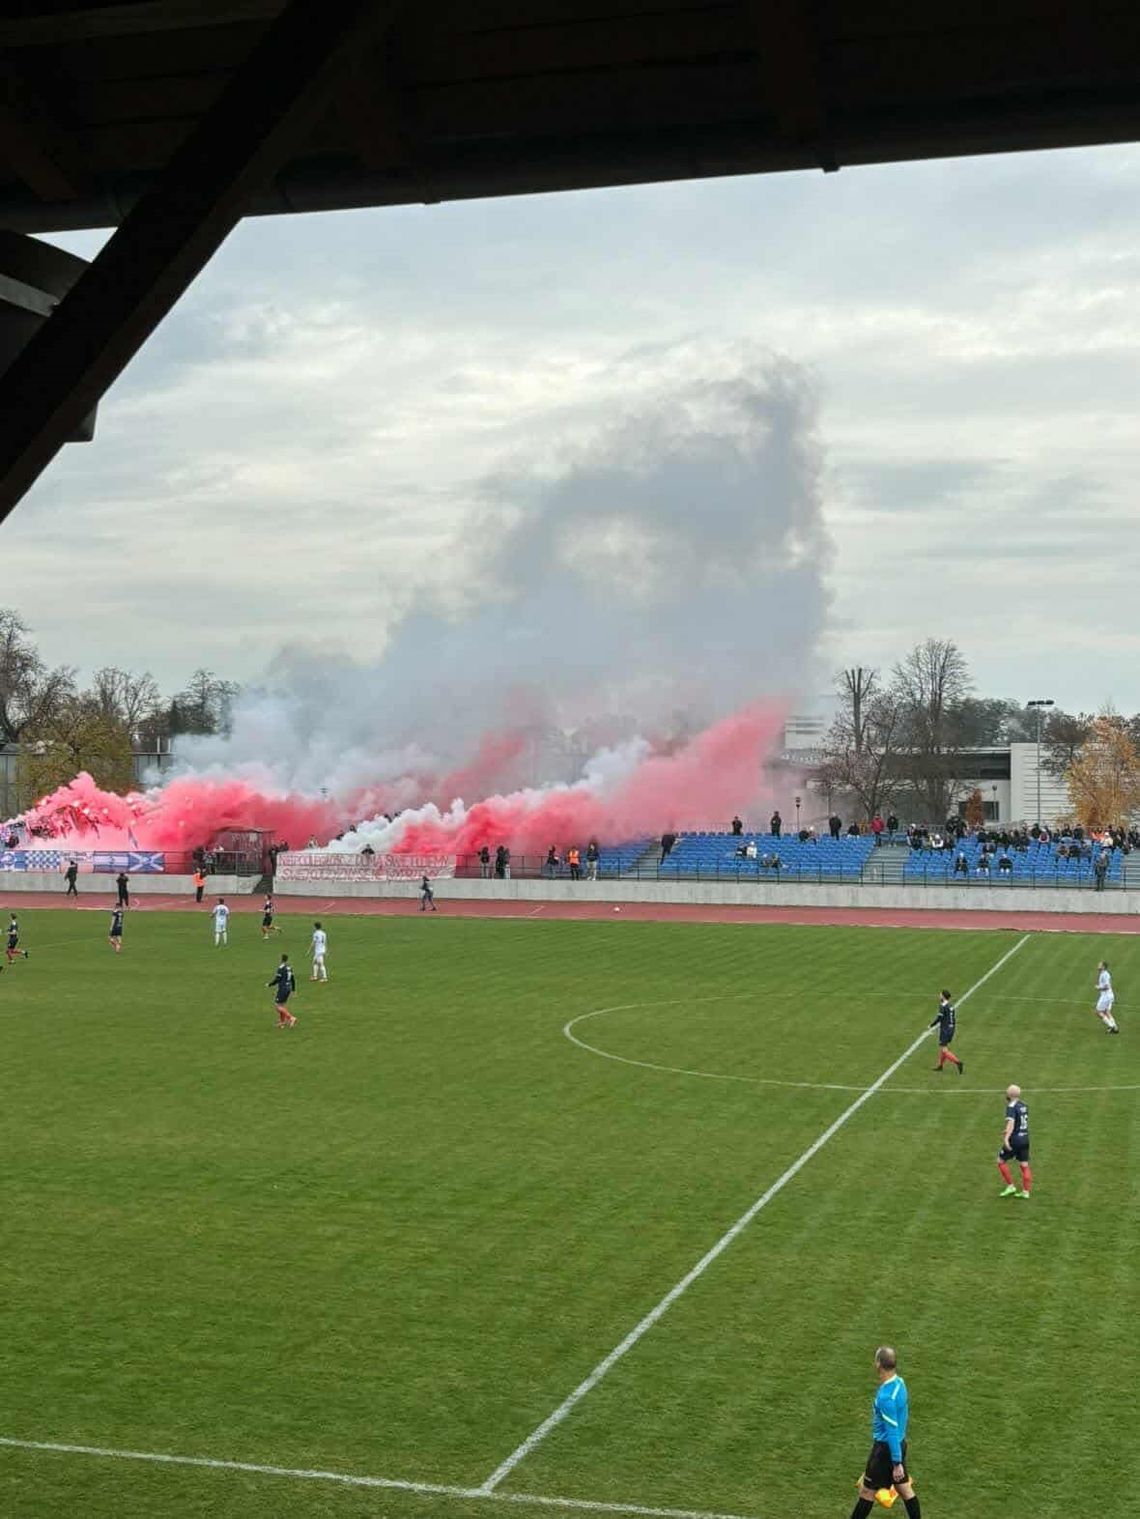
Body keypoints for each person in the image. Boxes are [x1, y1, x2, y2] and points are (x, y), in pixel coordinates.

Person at [849, 1346, 922, 1519]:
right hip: (899, 1444)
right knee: (904, 1489)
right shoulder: (900, 1384)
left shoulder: (886, 1397)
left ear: (878, 1364)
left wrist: (896, 1462)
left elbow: (891, 1430)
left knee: (867, 1492)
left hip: (885, 1449)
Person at [998, 1083, 1032, 1198]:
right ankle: (1026, 1192)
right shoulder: (1024, 1105)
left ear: (1009, 1094)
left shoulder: (1011, 1106)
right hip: (1025, 1138)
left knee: (1001, 1161)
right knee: (1024, 1165)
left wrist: (1006, 1138)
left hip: (1015, 1139)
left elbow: (1011, 1123)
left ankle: (1011, 1186)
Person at [929, 989, 963, 1074]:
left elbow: (939, 1018)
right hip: (951, 1028)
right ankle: (940, 1066)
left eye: (940, 994)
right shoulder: (950, 1005)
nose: (939, 995)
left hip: (945, 1029)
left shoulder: (943, 1006)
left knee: (944, 1049)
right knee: (944, 1047)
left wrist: (931, 1025)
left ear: (943, 996)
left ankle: (958, 1062)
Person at [268, 953, 297, 1028]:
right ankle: (282, 1022)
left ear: (281, 959)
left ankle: (291, 1018)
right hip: (288, 988)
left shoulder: (281, 968)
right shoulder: (289, 968)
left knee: (278, 1006)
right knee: (282, 1005)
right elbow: (293, 979)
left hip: (283, 988)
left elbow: (277, 979)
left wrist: (269, 984)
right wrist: (293, 990)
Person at [1094, 960, 1119, 1033]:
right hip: (1109, 995)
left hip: (1106, 996)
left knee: (1098, 1012)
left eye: (1100, 965)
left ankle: (1111, 1026)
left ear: (1103, 967)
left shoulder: (1104, 974)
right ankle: (1115, 1027)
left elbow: (1107, 986)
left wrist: (1098, 987)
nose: (1098, 965)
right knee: (1107, 1011)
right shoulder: (1104, 974)